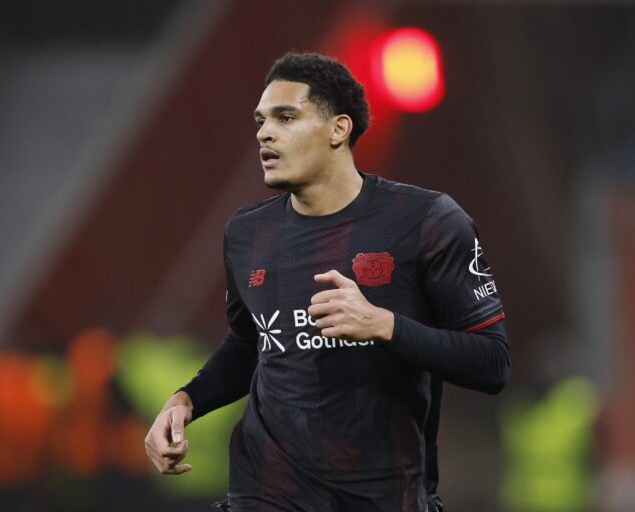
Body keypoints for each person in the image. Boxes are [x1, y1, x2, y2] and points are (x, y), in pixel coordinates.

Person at [144, 52, 510, 512]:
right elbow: (248, 345)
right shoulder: (246, 234)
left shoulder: (427, 222)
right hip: (266, 494)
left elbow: (491, 363)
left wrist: (384, 325)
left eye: (286, 116)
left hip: (384, 496)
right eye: (260, 120)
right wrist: (184, 401)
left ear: (339, 129)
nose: (264, 132)